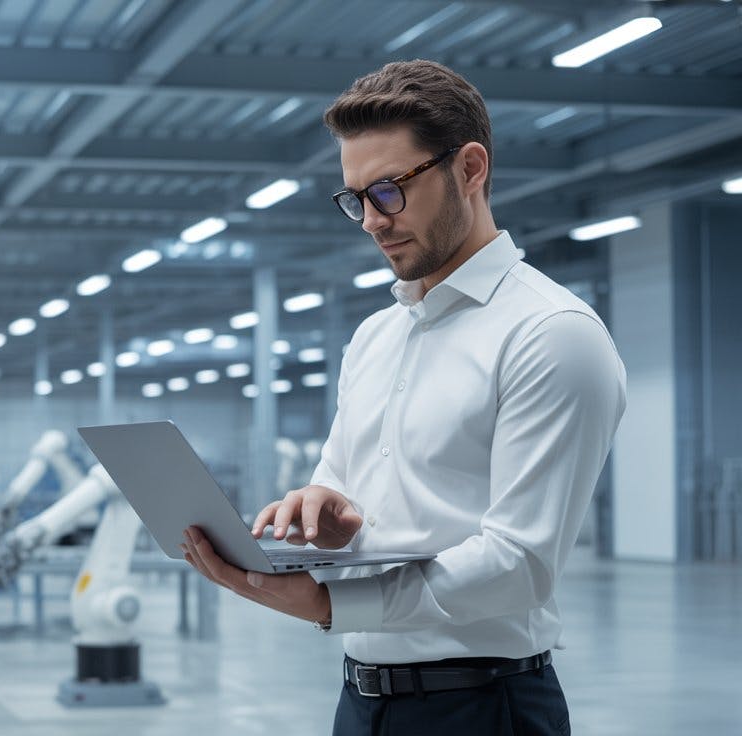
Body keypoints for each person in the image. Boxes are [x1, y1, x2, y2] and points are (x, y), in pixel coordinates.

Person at [180, 60, 626, 735]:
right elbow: (339, 482)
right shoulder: (376, 336)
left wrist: (333, 605)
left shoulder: (550, 334)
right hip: (362, 701)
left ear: (469, 169)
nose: (369, 221)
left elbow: (520, 565)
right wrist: (323, 515)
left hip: (481, 706)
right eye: (355, 198)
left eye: (388, 191)